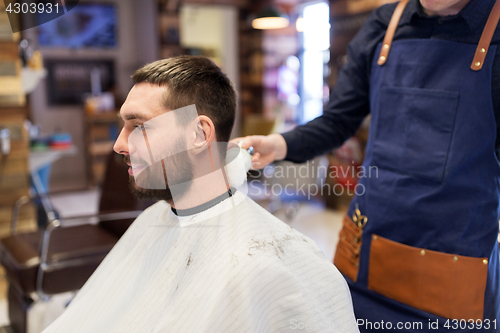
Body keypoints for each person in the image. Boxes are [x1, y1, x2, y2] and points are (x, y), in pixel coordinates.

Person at [41, 56, 359, 333]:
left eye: (139, 127)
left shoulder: (267, 264)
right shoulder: (158, 217)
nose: (119, 145)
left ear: (199, 134)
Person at [236, 0, 500, 332]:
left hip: (455, 268)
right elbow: (338, 120)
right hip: (366, 254)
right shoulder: (385, 24)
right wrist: (281, 144)